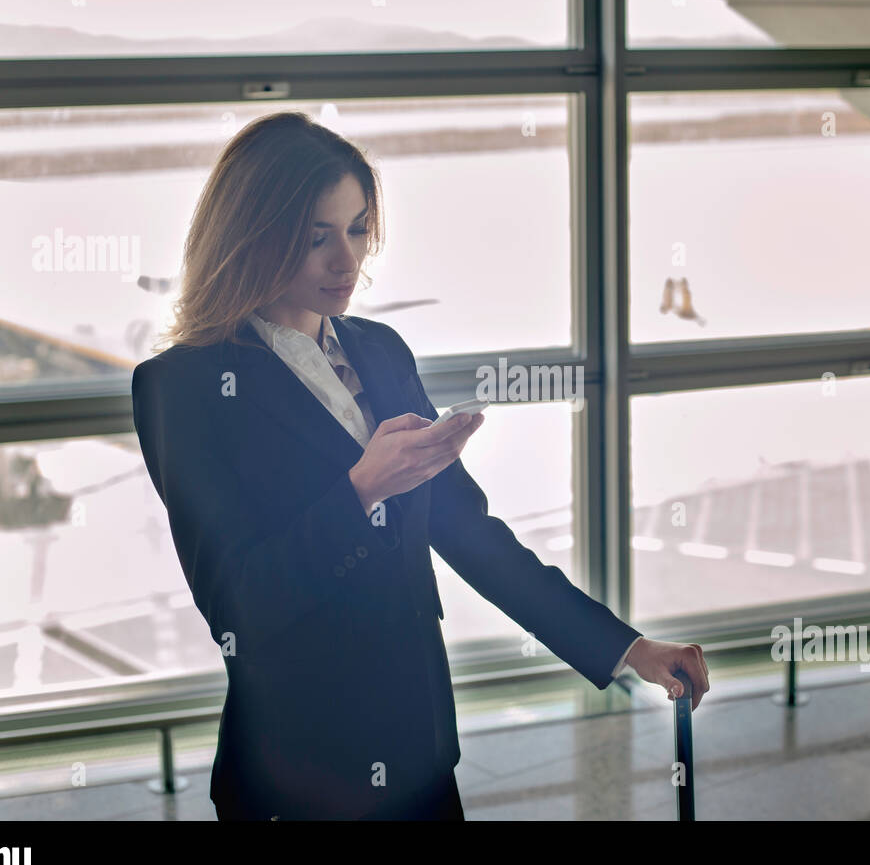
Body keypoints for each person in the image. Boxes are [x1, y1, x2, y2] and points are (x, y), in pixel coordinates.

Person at [130, 110, 710, 820]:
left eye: (357, 229)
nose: (347, 262)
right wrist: (363, 487)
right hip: (295, 774)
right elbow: (239, 606)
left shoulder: (380, 351)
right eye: (316, 237)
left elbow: (473, 537)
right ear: (253, 233)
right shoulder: (182, 388)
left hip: (419, 752)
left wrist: (627, 648)